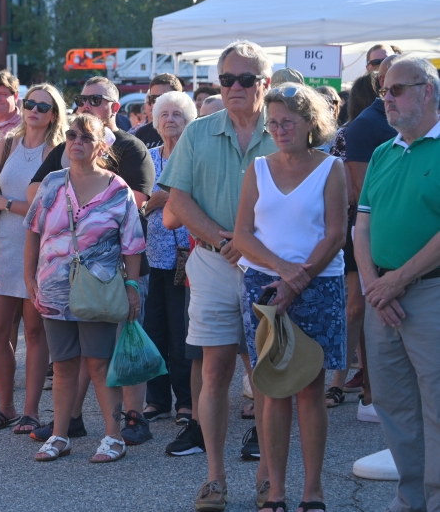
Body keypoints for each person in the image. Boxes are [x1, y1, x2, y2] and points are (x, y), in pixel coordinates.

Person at [158, 40, 277, 512]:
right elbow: (177, 201)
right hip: (211, 262)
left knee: (266, 374)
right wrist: (224, 241)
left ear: (264, 84)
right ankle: (214, 478)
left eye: (245, 80)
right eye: (226, 79)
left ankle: (268, 477)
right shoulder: (199, 132)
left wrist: (247, 249)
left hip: (267, 266)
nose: (234, 88)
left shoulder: (286, 128)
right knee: (214, 372)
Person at [234, 83, 346, 512]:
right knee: (273, 389)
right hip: (265, 287)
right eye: (273, 122)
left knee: (310, 390)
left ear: (310, 124)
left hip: (318, 285)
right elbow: (242, 235)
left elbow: (336, 234)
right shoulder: (258, 168)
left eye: (288, 122)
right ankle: (275, 492)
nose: (279, 129)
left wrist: (297, 280)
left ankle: (312, 492)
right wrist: (283, 274)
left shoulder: (330, 168)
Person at [28, 75, 155, 446]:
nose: (76, 143)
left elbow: (132, 246)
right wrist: (29, 278)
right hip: (52, 285)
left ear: (100, 146)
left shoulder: (118, 189)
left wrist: (132, 287)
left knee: (99, 364)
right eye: (71, 136)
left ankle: (113, 436)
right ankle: (60, 435)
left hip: (99, 287)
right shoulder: (52, 182)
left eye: (85, 138)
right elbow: (33, 232)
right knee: (64, 365)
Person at [356, 56, 440, 512]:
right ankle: (411, 500)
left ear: (427, 90)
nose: (385, 99)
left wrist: (397, 281)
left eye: (396, 90)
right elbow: (362, 227)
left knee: (436, 407)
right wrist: (374, 286)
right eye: (382, 90)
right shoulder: (385, 153)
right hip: (382, 298)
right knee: (395, 406)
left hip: (429, 293)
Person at [0, 83, 67, 434]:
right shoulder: (7, 142)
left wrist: (7, 205)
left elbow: (53, 206)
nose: (35, 110)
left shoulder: (57, 150)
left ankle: (30, 411)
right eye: (30, 104)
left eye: (43, 106)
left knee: (35, 333)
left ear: (54, 113)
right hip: (6, 246)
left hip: (40, 247)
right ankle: (5, 406)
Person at [344, 55, 401, 423]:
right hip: (379, 246)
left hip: (410, 254)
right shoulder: (366, 129)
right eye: (388, 86)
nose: (392, 94)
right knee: (365, 309)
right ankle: (370, 392)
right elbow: (364, 202)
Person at [323, 72, 379, 409]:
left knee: (358, 306)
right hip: (354, 227)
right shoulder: (347, 136)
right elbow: (350, 190)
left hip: (353, 227)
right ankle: (339, 381)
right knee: (356, 306)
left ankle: (352, 380)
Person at [141, 91, 196, 427]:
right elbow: (139, 201)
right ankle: (156, 399)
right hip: (151, 258)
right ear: (155, 120)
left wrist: (167, 197)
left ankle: (186, 403)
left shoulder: (193, 156)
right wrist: (154, 201)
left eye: (177, 114)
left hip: (185, 259)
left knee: (183, 333)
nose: (170, 119)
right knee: (153, 331)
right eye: (164, 114)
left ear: (187, 121)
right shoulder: (146, 157)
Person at [133, 73, 181, 149]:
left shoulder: (190, 130)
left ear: (179, 99)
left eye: (163, 98)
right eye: (153, 98)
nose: (158, 102)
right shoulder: (142, 133)